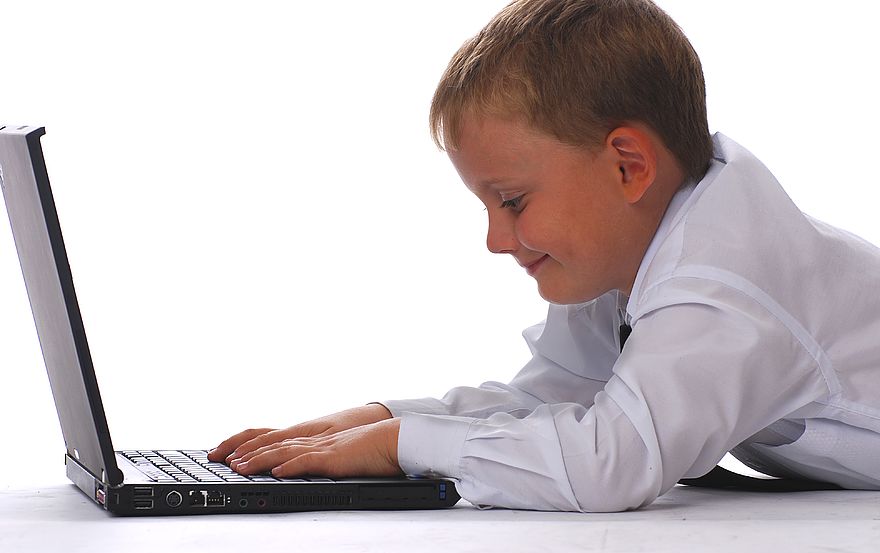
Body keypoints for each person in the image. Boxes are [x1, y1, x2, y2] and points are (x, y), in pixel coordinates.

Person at [208, 0, 880, 512]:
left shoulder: (720, 283)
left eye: (513, 200)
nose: (497, 240)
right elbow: (552, 396)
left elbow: (608, 463)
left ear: (627, 166)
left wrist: (403, 446)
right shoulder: (630, 251)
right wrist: (384, 421)